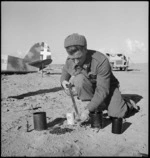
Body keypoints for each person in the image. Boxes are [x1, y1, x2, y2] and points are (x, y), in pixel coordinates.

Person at [60, 33, 139, 123]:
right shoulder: (71, 59)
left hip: (108, 87)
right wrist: (63, 81)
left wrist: (87, 110)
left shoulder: (101, 60)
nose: (76, 61)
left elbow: (102, 90)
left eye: (79, 57)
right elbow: (65, 72)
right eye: (72, 58)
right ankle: (93, 105)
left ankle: (128, 103)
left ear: (85, 49)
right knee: (79, 79)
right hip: (91, 89)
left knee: (117, 113)